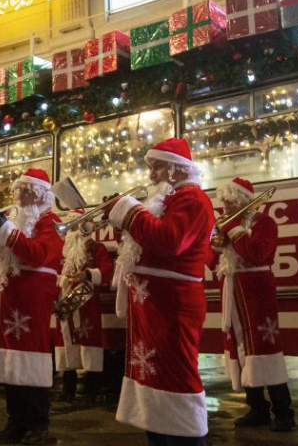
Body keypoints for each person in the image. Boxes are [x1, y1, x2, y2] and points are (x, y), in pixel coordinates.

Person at [103, 137, 214, 446]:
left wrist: (128, 212)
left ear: (178, 167)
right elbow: (144, 244)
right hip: (154, 307)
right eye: (150, 167)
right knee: (153, 379)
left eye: (157, 166)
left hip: (171, 307)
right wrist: (119, 216)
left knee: (175, 379)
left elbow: (168, 241)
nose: (151, 175)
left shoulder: (193, 199)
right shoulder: (169, 200)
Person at [0, 168, 63, 445]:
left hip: (31, 297)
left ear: (40, 195)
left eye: (26, 191)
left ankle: (38, 424)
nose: (20, 197)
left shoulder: (51, 222)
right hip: (9, 295)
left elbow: (38, 254)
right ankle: (16, 421)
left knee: (31, 358)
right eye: (18, 191)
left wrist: (4, 229)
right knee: (10, 360)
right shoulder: (16, 219)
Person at [212, 178, 294, 432]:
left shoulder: (264, 223)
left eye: (228, 204)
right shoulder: (229, 225)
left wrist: (234, 230)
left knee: (264, 349)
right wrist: (215, 244)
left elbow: (257, 253)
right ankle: (256, 408)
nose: (224, 209)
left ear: (241, 201)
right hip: (234, 289)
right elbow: (211, 262)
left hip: (257, 291)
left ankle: (283, 411)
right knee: (241, 347)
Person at [54, 209, 114, 403]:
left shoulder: (97, 249)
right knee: (66, 343)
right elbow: (53, 272)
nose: (71, 233)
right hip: (65, 301)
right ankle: (68, 388)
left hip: (86, 302)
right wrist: (62, 280)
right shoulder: (62, 252)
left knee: (89, 344)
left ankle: (94, 389)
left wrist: (88, 274)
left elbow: (106, 271)